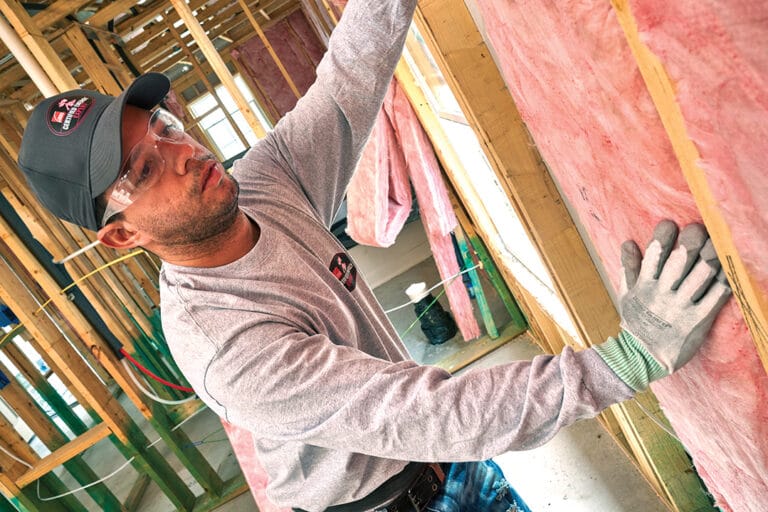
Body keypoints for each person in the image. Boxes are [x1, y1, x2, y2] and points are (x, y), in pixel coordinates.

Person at [16, 0, 732, 510]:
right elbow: (433, 411)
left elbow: (350, 81)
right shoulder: (226, 346)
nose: (181, 151)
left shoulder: (265, 183)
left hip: (445, 469)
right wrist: (630, 359)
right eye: (140, 170)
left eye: (165, 126)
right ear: (123, 234)